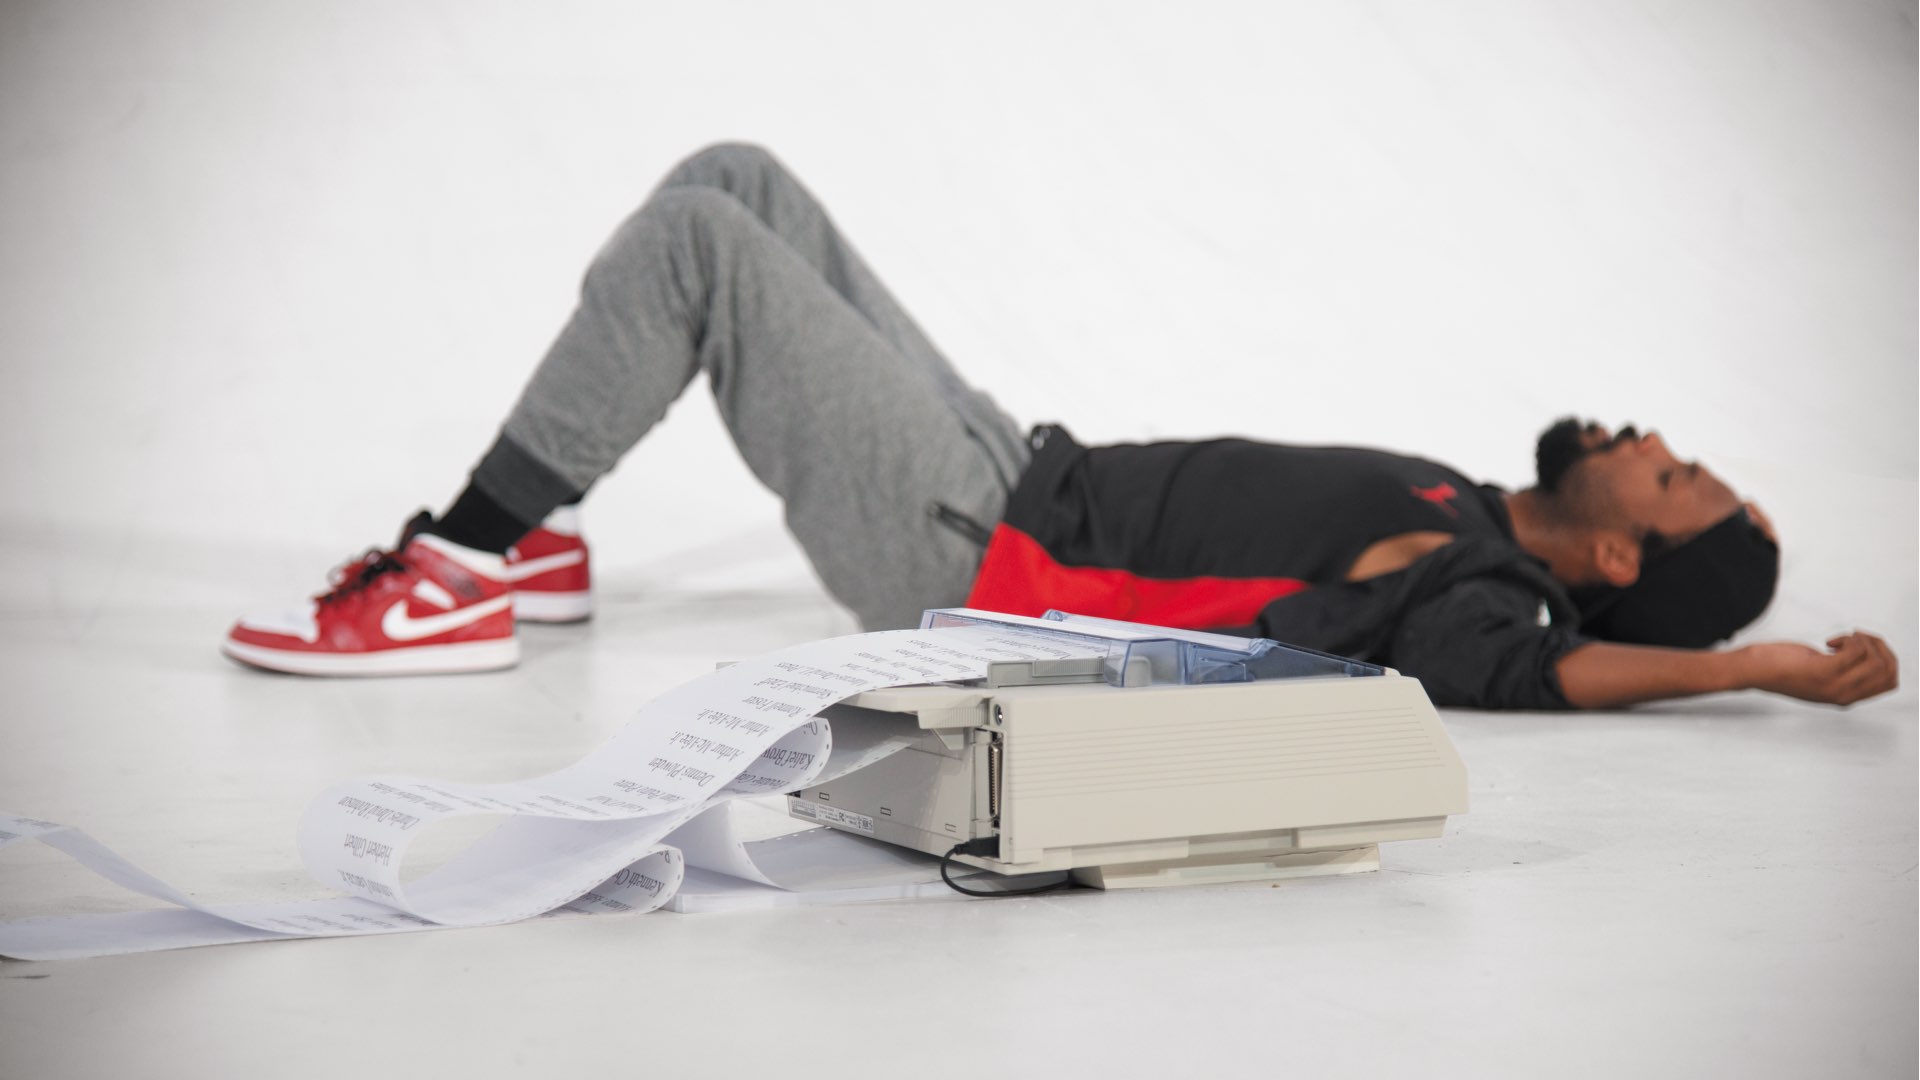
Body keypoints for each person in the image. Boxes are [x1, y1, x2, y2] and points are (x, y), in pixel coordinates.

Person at [222, 144, 1899, 711]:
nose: (1652, 437)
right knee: (737, 181)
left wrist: (1756, 668)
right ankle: (545, 544)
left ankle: (459, 566)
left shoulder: (1489, 601)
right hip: (1013, 460)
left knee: (693, 251)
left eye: (1671, 479)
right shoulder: (1462, 503)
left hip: (979, 553)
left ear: (1619, 550)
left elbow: (1558, 679)